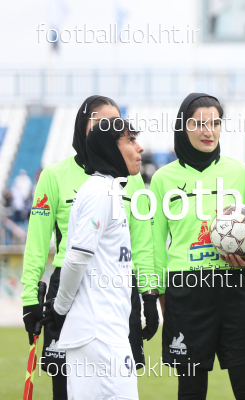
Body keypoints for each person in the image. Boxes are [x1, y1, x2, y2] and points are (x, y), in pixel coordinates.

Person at [21, 96, 158, 400]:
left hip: (117, 292)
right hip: (70, 289)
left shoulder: (128, 181)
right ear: (85, 126)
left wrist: (149, 295)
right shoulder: (58, 176)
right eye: (102, 123)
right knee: (69, 388)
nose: (108, 128)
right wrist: (32, 297)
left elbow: (141, 243)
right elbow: (42, 243)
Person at [150, 93, 245, 400]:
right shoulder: (163, 179)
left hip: (235, 285)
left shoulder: (241, 173)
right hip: (186, 291)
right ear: (183, 127)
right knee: (191, 390)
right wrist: (161, 296)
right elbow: (156, 245)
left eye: (215, 123)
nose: (208, 131)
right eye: (199, 123)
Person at [41, 117, 144, 399]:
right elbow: (76, 258)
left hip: (104, 333)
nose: (140, 147)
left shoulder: (109, 190)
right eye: (130, 140)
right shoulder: (100, 192)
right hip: (100, 335)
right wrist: (60, 309)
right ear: (110, 148)